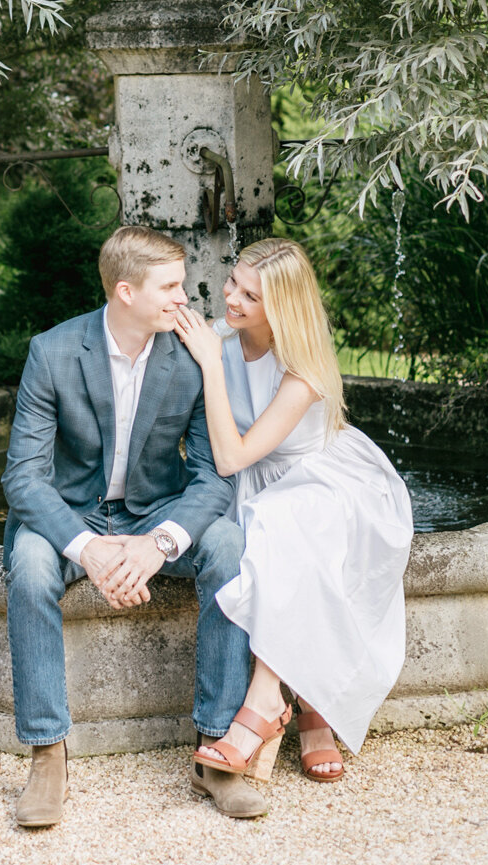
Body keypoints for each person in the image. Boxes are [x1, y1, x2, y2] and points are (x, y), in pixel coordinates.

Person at [2, 224, 267, 827]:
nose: (186, 299)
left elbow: (212, 477)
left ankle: (217, 752)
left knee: (227, 542)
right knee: (32, 562)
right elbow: (23, 480)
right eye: (170, 287)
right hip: (72, 514)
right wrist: (89, 548)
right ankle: (47, 752)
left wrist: (158, 543)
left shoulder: (193, 355)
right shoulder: (54, 352)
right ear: (126, 291)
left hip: (155, 512)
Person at [174, 237, 413, 783]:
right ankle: (310, 710)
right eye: (233, 282)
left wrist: (212, 366)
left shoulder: (301, 368)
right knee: (275, 527)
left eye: (249, 296)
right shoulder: (220, 336)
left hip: (327, 480)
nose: (231, 299)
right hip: (262, 485)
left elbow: (232, 456)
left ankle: (266, 706)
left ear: (280, 307)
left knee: (290, 522)